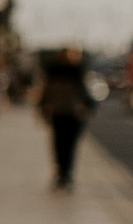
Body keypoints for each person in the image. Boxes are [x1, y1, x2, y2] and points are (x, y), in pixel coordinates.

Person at [38, 44, 93, 189]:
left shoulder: (58, 73)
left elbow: (45, 93)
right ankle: (65, 173)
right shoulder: (75, 72)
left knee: (61, 145)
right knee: (66, 146)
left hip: (62, 113)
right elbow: (85, 95)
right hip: (68, 113)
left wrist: (43, 107)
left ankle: (63, 173)